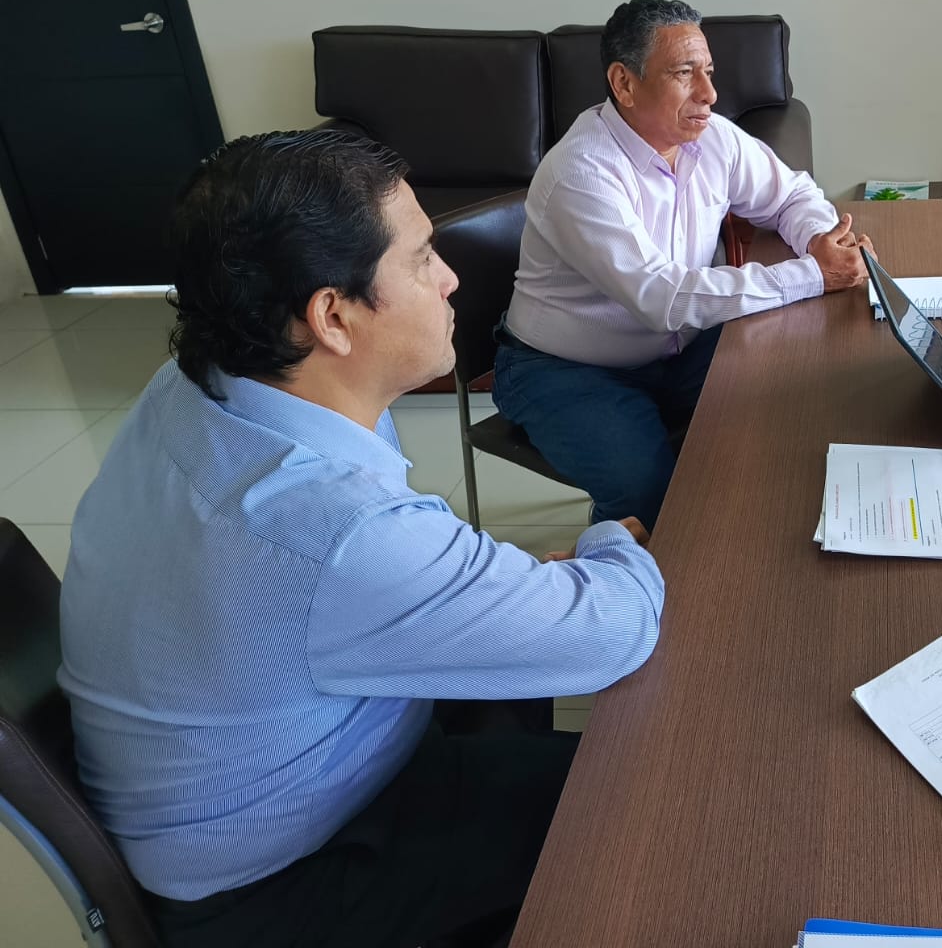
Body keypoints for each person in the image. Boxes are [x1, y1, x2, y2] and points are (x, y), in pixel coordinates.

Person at [57, 129, 666, 948]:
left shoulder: (199, 384)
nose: (450, 279)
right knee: (647, 804)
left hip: (251, 776)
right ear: (333, 316)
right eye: (422, 259)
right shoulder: (329, 526)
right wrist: (611, 541)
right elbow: (614, 631)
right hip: (283, 886)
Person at [494, 0, 872, 530]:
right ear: (624, 84)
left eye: (709, 72)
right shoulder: (581, 172)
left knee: (795, 400)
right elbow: (663, 299)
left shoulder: (709, 136)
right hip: (567, 369)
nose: (709, 94)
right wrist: (813, 275)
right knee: (655, 498)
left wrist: (821, 241)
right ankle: (624, 555)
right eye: (683, 73)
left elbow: (791, 194)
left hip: (680, 350)